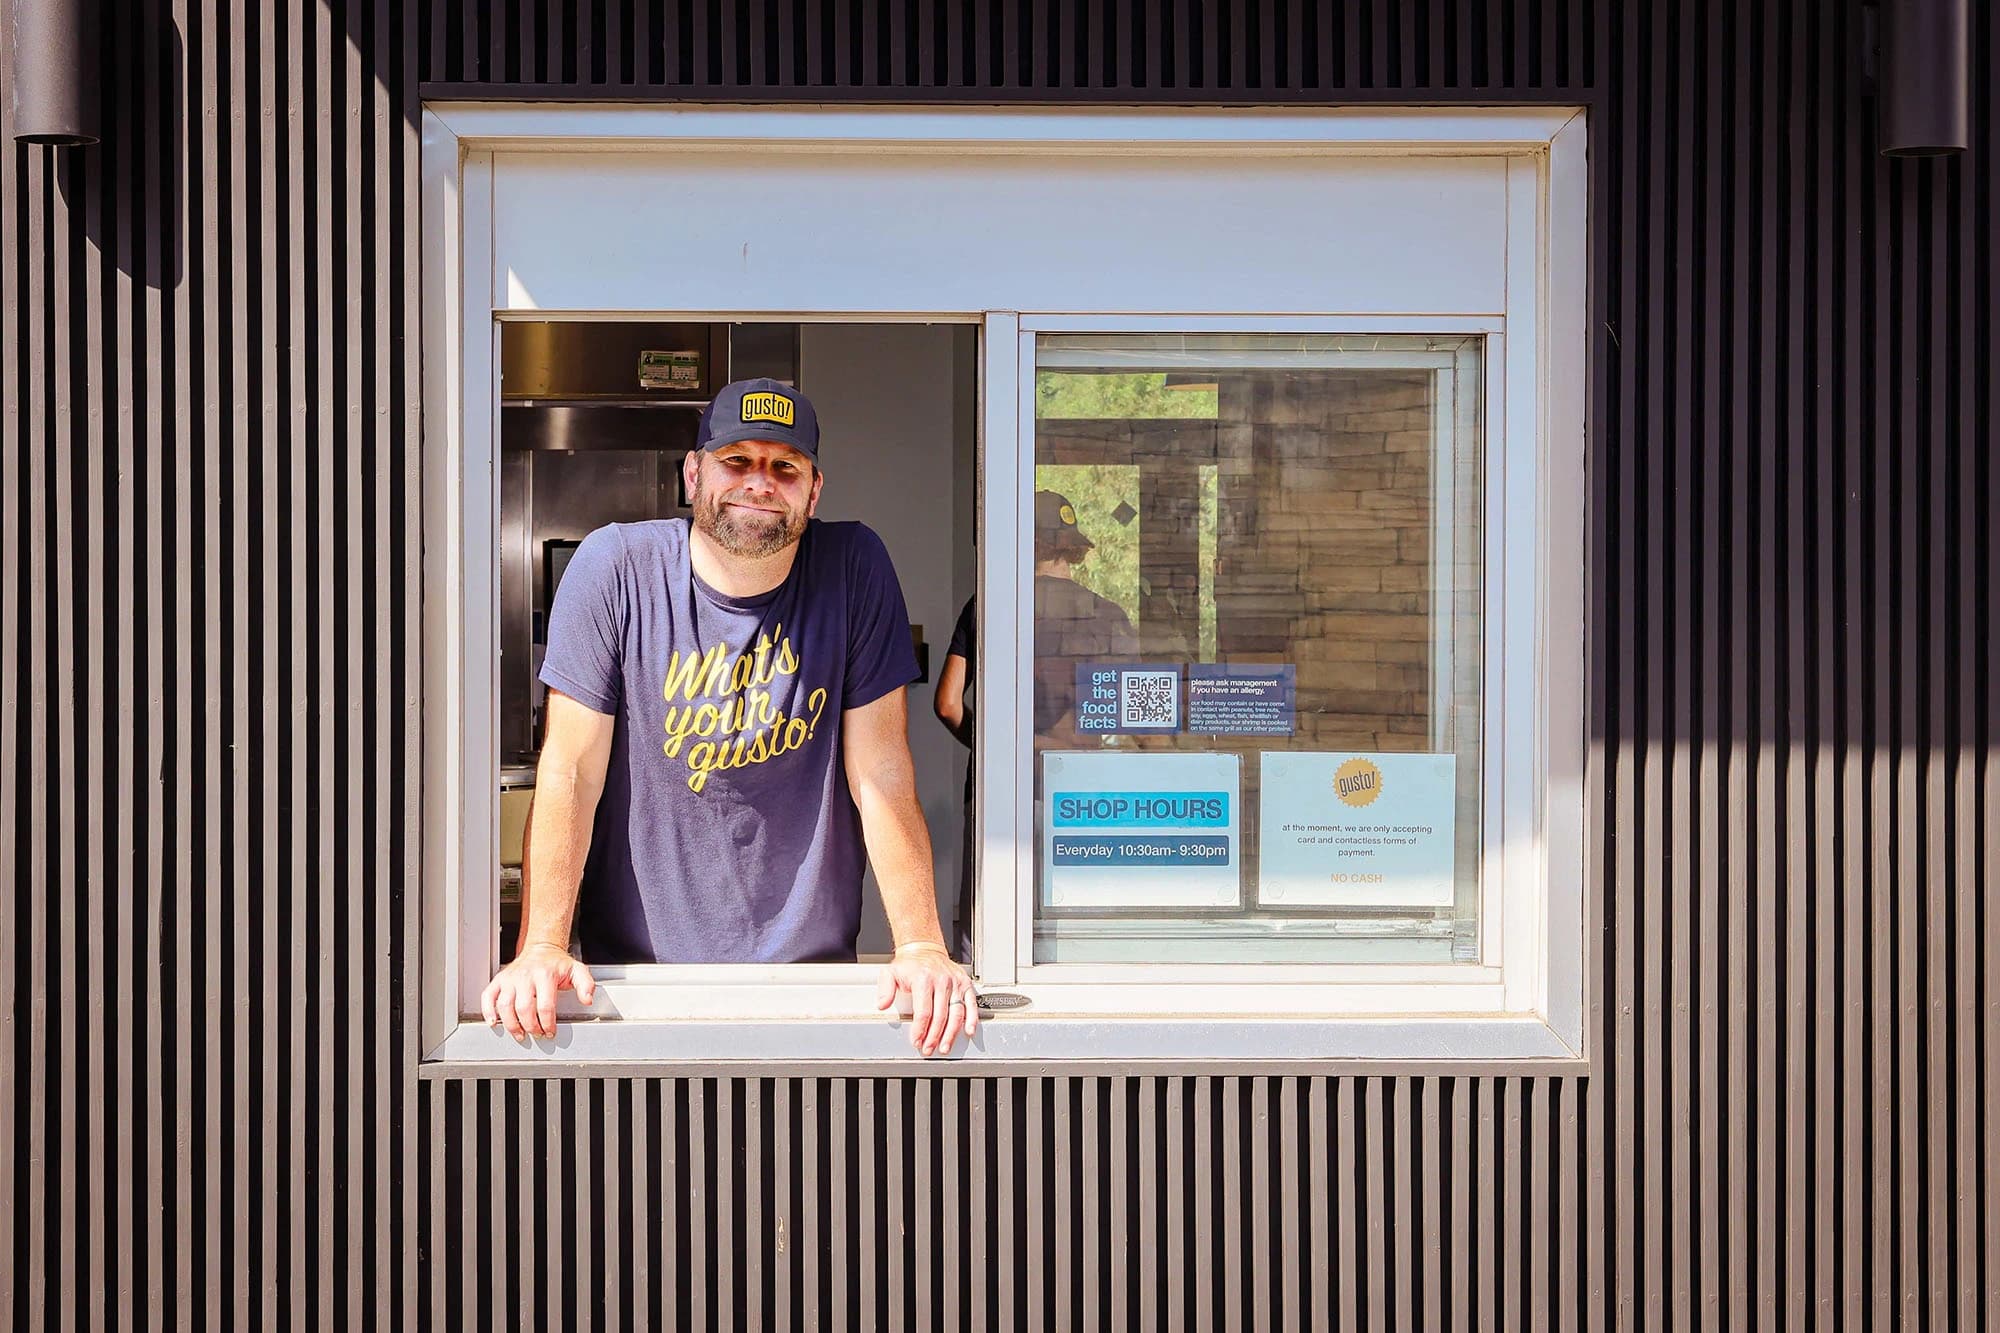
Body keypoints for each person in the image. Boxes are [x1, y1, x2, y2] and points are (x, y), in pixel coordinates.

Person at [481, 378, 977, 1057]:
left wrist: (921, 942)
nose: (759, 482)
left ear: (814, 488)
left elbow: (882, 768)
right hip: (630, 986)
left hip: (808, 985)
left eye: (784, 467)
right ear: (694, 473)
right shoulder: (615, 567)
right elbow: (571, 769)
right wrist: (541, 945)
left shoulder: (854, 569)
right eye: (736, 460)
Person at [1031, 489, 1138, 744]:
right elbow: (1139, 718)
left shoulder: (992, 609)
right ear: (1071, 546)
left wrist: (1014, 746)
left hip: (1004, 773)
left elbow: (948, 704)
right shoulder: (1107, 616)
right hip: (1081, 774)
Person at [933, 596, 976, 962]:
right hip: (1078, 782)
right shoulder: (1104, 612)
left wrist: (990, 747)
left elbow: (948, 704)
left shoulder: (986, 603)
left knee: (983, 905)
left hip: (994, 786)